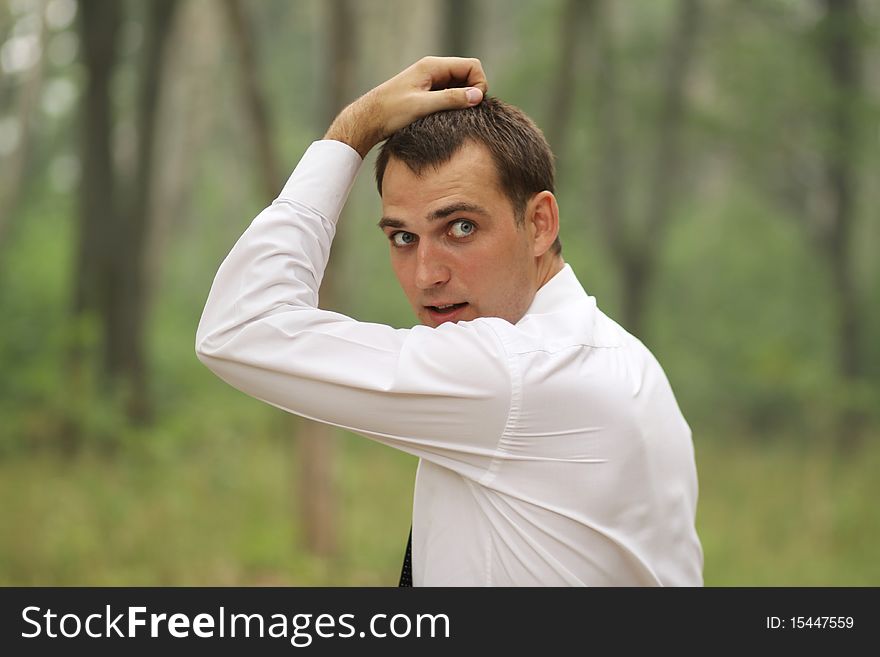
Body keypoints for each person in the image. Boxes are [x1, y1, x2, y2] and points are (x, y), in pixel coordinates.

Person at [196, 57, 703, 586]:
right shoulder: (627, 359)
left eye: (461, 227)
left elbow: (239, 325)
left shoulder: (515, 372)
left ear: (539, 224)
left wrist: (355, 128)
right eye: (403, 237)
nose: (426, 275)